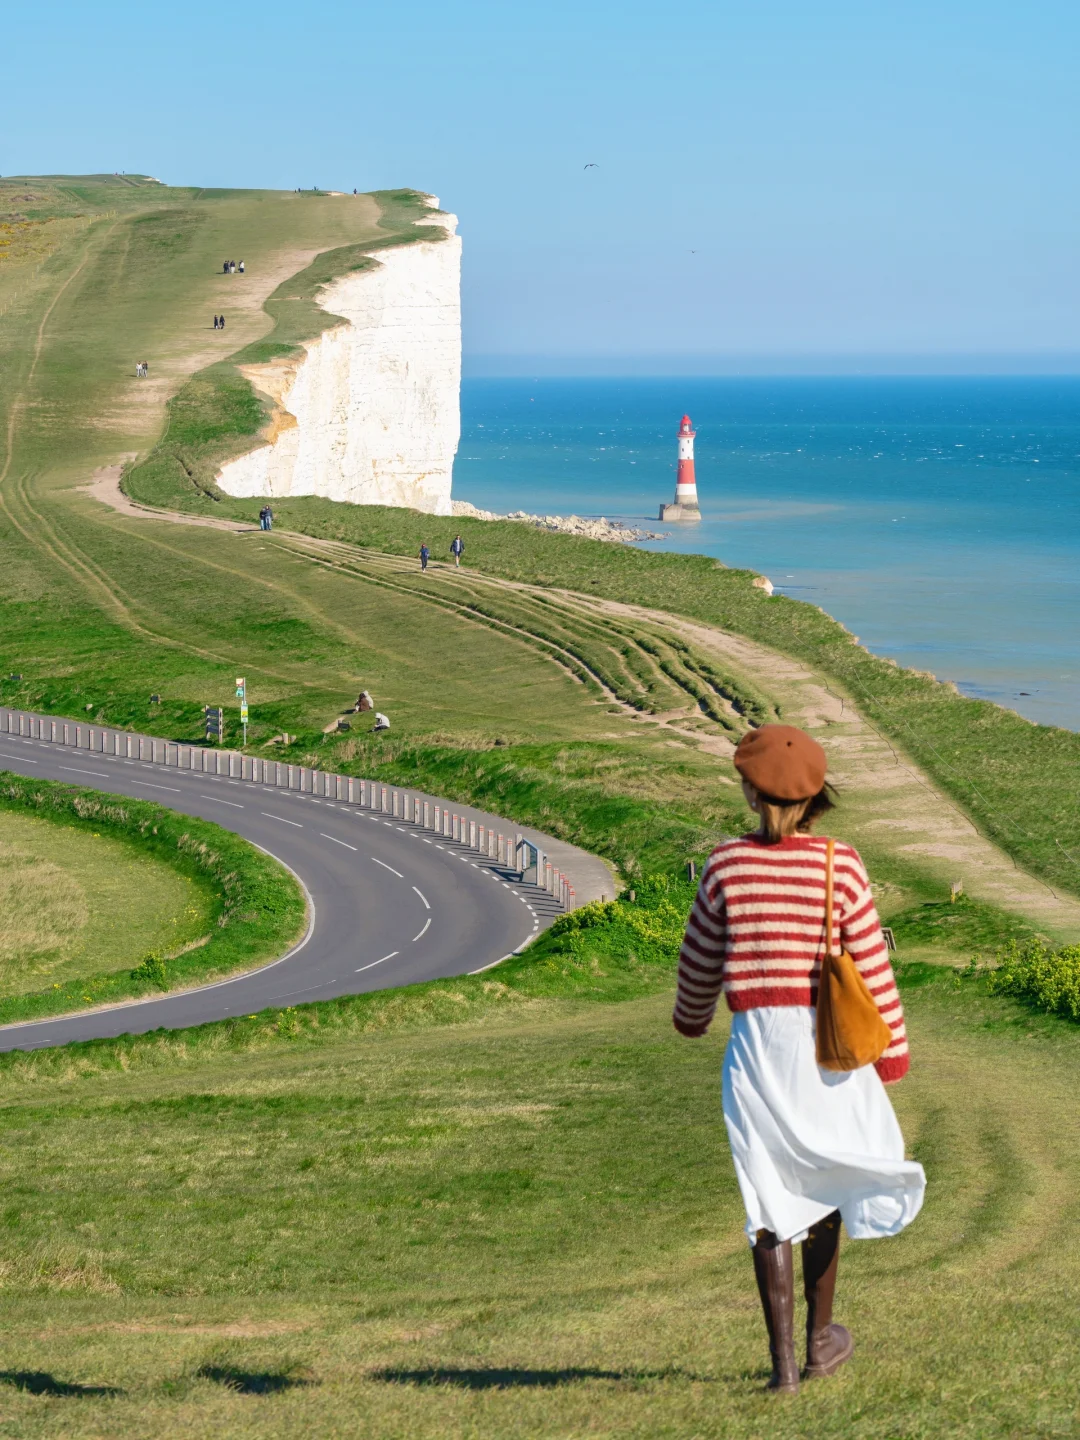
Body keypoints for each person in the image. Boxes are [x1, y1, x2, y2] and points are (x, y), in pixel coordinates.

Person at [673, 724, 924, 1395]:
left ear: (753, 791)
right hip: (826, 1053)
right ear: (817, 798)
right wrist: (891, 1056)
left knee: (768, 1195)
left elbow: (698, 963)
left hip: (757, 1045)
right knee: (825, 1185)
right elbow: (871, 970)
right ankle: (820, 1341)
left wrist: (691, 1019)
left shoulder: (726, 866)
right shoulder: (841, 866)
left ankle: (783, 1370)